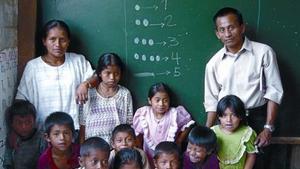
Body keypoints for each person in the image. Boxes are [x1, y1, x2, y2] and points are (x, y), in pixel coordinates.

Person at [204, 7, 283, 168]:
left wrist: (268, 127)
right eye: (222, 30)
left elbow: (274, 91)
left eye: (231, 27)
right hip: (226, 121)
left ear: (242, 27)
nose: (227, 34)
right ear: (217, 33)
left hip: (257, 117)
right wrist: (207, 133)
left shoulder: (264, 52)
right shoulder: (214, 63)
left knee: (259, 163)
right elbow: (211, 101)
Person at [15, 19, 94, 131]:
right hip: (43, 132)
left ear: (68, 41)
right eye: (52, 39)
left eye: (62, 40)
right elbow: (21, 99)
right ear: (44, 41)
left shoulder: (78, 61)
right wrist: (16, 131)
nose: (57, 44)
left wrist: (86, 84)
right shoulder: (33, 67)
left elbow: (96, 76)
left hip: (73, 131)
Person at [133, 82, 194, 164]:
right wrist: (140, 149)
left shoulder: (174, 114)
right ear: (150, 100)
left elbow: (188, 123)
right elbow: (138, 134)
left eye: (165, 100)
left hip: (169, 157)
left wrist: (179, 141)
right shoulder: (144, 114)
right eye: (157, 100)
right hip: (149, 155)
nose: (161, 104)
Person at [79, 52, 133, 143]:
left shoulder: (124, 94)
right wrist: (82, 147)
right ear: (99, 73)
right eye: (107, 73)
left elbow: (129, 124)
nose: (112, 78)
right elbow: (83, 124)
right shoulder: (89, 93)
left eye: (116, 74)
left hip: (117, 148)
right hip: (93, 148)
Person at [211, 95, 257, 169]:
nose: (229, 120)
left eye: (234, 115)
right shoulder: (213, 132)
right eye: (224, 115)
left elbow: (251, 156)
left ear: (241, 116)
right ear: (219, 116)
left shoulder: (247, 133)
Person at [3, 100, 46, 169]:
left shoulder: (41, 139)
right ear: (12, 124)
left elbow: (45, 163)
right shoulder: (11, 140)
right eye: (19, 123)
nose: (24, 127)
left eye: (28, 122)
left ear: (34, 121)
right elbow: (8, 163)